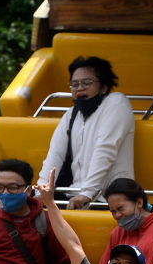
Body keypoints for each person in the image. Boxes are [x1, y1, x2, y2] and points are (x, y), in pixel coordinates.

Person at [38, 57, 135, 210]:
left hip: (110, 199)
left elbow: (106, 149)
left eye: (87, 83)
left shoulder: (117, 102)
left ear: (104, 87)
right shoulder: (71, 114)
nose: (79, 88)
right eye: (74, 84)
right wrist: (41, 191)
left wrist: (88, 193)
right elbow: (55, 155)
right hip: (75, 196)